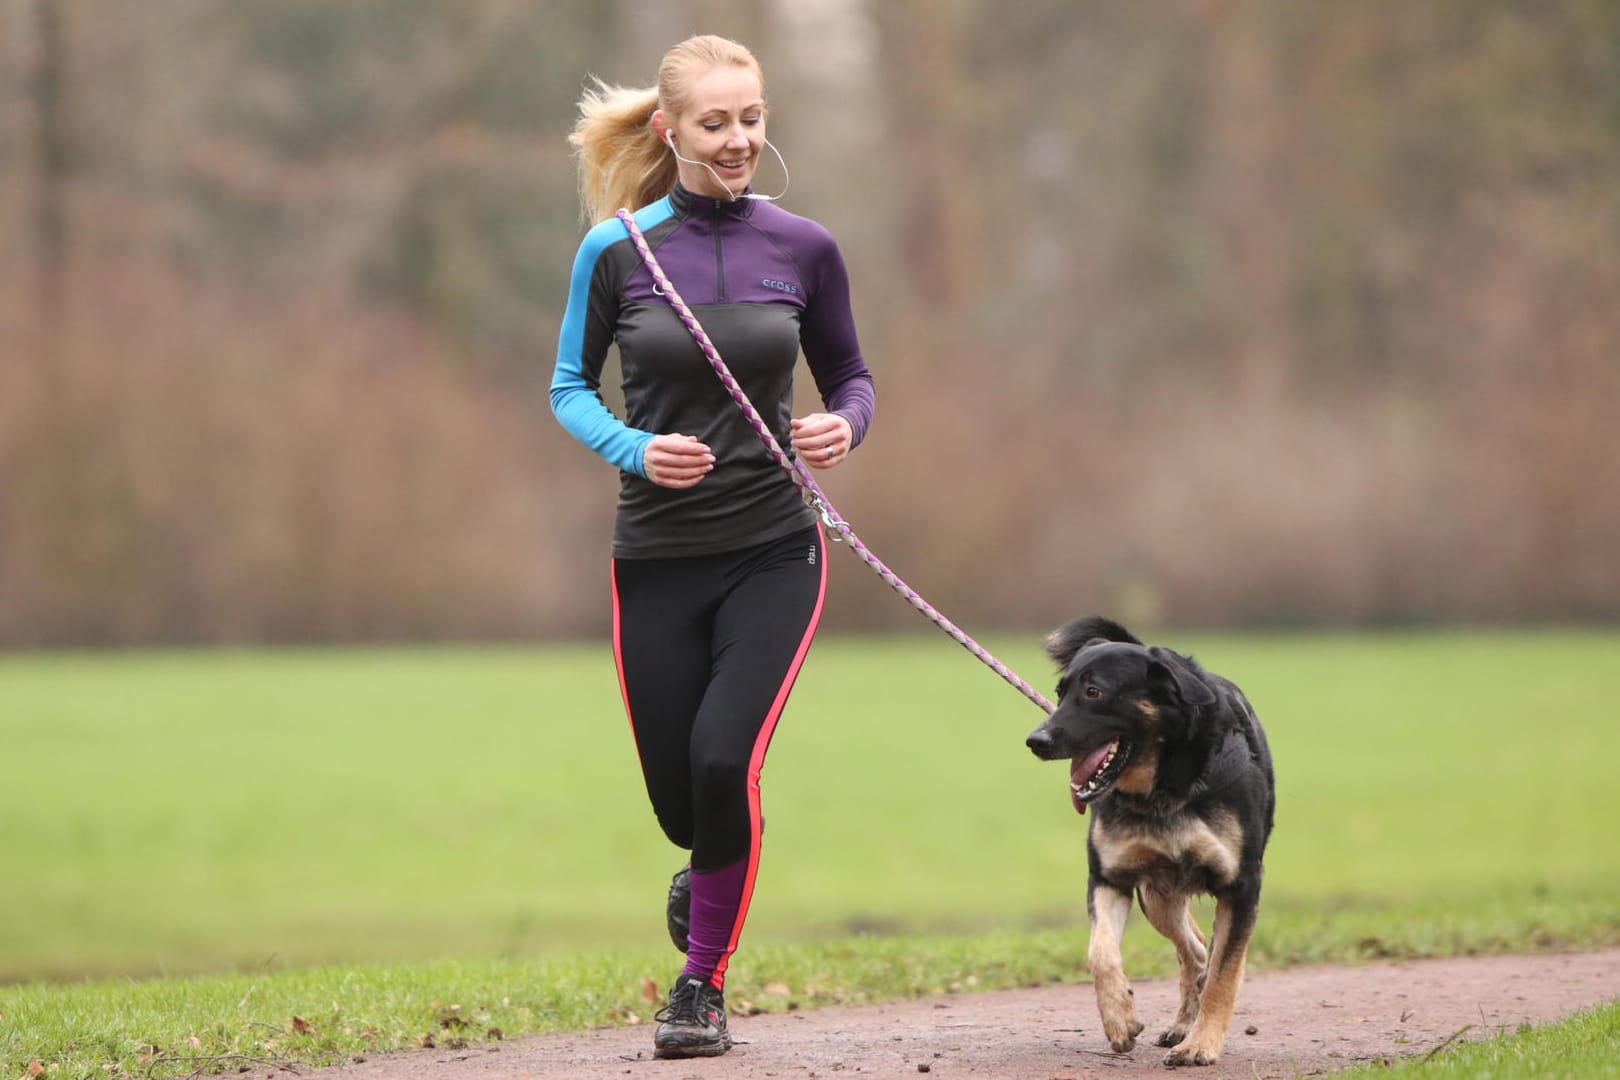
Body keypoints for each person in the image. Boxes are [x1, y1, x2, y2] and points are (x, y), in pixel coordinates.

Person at [550, 34, 876, 1059]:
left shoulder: (806, 249)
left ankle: (700, 986)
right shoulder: (616, 251)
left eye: (752, 118)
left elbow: (853, 379)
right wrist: (635, 448)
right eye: (715, 122)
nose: (738, 140)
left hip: (774, 548)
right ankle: (707, 878)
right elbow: (568, 387)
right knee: (679, 801)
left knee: (724, 759)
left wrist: (844, 427)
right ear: (670, 129)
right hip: (654, 556)